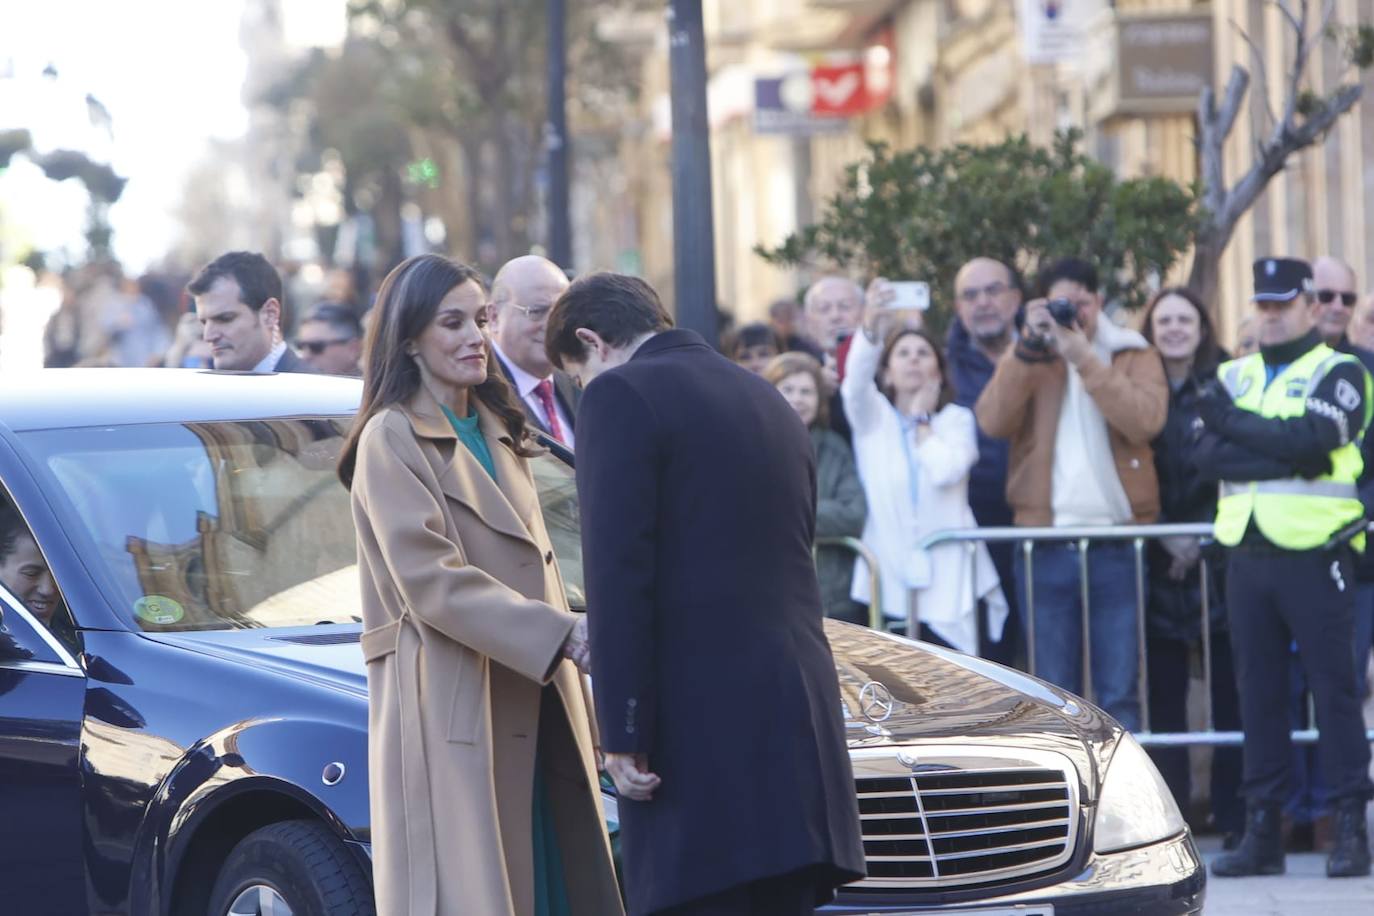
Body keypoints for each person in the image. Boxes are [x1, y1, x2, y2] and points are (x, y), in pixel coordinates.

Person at [545, 272, 865, 915]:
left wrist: (622, 728)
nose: (583, 389)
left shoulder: (619, 396)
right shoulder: (765, 395)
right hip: (795, 719)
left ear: (592, 341)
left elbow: (619, 572)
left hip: (696, 731)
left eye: (576, 375)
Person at [337, 254, 622, 915]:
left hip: (540, 691)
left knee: (556, 881)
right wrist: (562, 636)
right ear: (410, 337)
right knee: (481, 889)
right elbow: (431, 583)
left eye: (482, 319)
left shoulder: (500, 427)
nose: (474, 336)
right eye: (453, 322)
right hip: (455, 699)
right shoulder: (392, 436)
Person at [1197, 257, 1372, 879]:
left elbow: (1315, 441)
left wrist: (1251, 436)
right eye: (1262, 305)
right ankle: (1262, 830)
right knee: (1260, 696)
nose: (1270, 315)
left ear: (1307, 305)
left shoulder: (1340, 369)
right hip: (1246, 554)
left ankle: (1350, 824)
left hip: (1315, 553)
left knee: (1335, 691)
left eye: (1282, 304)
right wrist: (1287, 452)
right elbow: (1205, 453)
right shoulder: (1234, 372)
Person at [975, 257, 1167, 731]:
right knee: (1052, 690)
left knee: (1120, 687)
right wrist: (1026, 348)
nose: (1072, 313)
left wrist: (1083, 355)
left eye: (1080, 302)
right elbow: (992, 421)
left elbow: (1145, 421)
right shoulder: (1029, 355)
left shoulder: (1131, 351)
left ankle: (1123, 801)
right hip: (1045, 544)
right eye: (1060, 304)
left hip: (1117, 543)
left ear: (1099, 302)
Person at [842, 281, 1007, 651]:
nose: (913, 358)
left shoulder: (956, 420)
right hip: (886, 578)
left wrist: (921, 423)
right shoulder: (874, 420)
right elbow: (854, 385)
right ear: (886, 372)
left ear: (938, 370)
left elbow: (946, 470)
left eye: (922, 352)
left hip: (951, 580)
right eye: (902, 353)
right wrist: (870, 328)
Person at [1139, 287, 1244, 846]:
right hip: (1156, 559)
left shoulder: (1226, 380)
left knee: (1231, 693)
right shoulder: (1139, 383)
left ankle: (1234, 816)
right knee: (1164, 699)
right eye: (1164, 320)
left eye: (1185, 318)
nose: (1175, 329)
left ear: (1203, 327)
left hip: (1217, 555)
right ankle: (1169, 818)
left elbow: (1232, 465)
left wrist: (1198, 540)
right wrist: (1164, 536)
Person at [946, 256, 1025, 665]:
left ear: (1015, 298)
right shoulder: (941, 367)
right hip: (971, 534)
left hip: (1041, 525)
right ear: (959, 308)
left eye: (993, 290)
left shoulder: (1047, 350)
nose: (983, 303)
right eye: (970, 295)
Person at [764, 351, 868, 624]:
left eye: (806, 391)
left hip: (829, 597)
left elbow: (853, 514)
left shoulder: (835, 448)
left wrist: (785, 513)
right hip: (766, 590)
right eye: (788, 389)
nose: (797, 399)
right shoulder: (749, 443)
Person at [488, 255, 579, 447]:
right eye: (537, 312)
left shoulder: (579, 380)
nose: (552, 325)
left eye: (561, 313)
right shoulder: (479, 392)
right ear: (494, 317)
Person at [188, 252, 313, 373]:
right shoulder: (211, 387)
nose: (208, 336)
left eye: (225, 319)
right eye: (204, 323)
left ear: (270, 314)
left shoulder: (309, 390)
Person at [294, 303, 363, 376]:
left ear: (353, 349)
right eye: (300, 346)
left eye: (316, 347)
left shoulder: (369, 386)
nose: (305, 357)